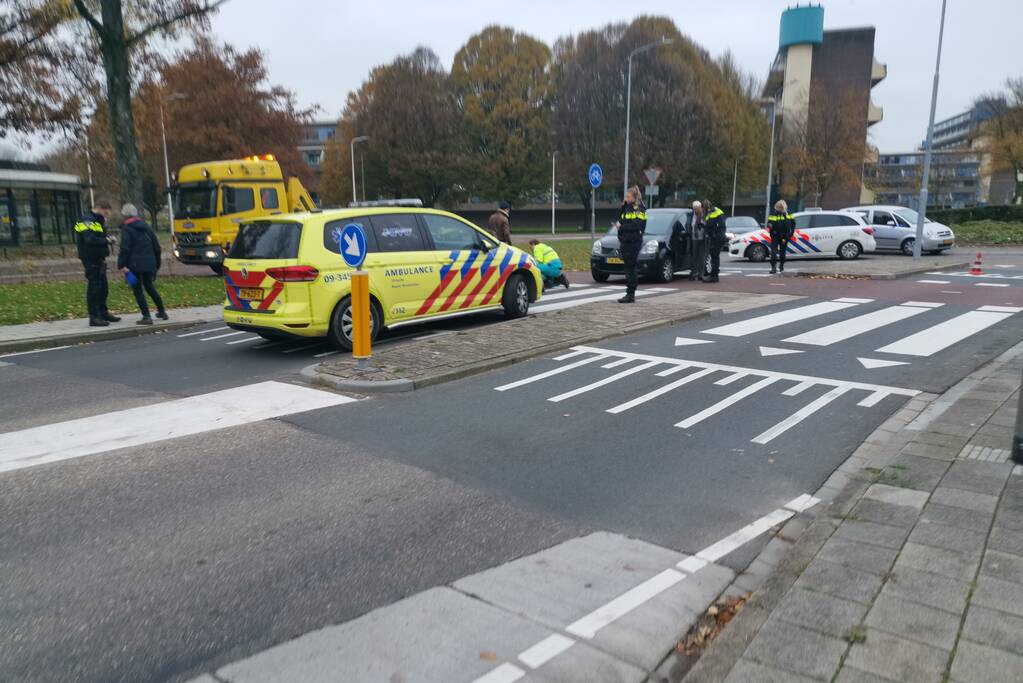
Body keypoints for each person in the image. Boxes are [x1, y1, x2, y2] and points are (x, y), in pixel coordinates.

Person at [117, 203, 167, 325]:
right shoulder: (147, 227)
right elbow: (156, 247)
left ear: (124, 215)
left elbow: (125, 248)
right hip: (150, 263)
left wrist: (121, 264)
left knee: (137, 289)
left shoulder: (126, 229)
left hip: (133, 265)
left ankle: (146, 316)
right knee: (149, 286)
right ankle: (162, 311)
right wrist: (156, 264)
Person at [75, 199, 120, 327]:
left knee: (103, 287)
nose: (106, 216)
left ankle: (103, 312)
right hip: (90, 257)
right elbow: (89, 239)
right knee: (94, 287)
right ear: (99, 208)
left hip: (98, 257)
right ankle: (94, 317)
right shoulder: (86, 220)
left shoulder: (96, 220)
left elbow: (97, 236)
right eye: (105, 213)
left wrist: (106, 238)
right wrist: (106, 240)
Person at [616, 186, 647, 303]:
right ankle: (629, 293)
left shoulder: (639, 209)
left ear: (634, 197)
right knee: (628, 267)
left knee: (631, 267)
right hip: (625, 241)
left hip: (633, 242)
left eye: (628, 196)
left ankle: (631, 293)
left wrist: (621, 227)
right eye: (626, 196)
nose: (626, 198)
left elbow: (636, 225)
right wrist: (623, 206)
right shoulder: (627, 207)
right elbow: (621, 219)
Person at [767, 199, 795, 274]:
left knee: (782, 252)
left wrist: (790, 234)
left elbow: (793, 224)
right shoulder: (773, 214)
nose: (778, 208)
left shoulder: (789, 214)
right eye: (777, 207)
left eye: (780, 207)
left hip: (784, 236)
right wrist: (770, 226)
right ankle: (773, 268)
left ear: (783, 207)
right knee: (773, 252)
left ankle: (781, 266)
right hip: (775, 235)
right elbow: (769, 223)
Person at [701, 199, 726, 283]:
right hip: (719, 236)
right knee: (715, 257)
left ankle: (713, 277)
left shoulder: (711, 212)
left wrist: (703, 226)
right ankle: (715, 276)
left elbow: (710, 226)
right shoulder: (716, 211)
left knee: (714, 257)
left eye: (703, 208)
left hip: (716, 237)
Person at [686, 200, 705, 281]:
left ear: (700, 208)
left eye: (697, 208)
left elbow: (707, 225)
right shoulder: (690, 215)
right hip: (693, 238)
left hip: (703, 238)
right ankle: (693, 272)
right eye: (695, 209)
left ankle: (701, 274)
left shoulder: (704, 215)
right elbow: (688, 224)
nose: (696, 210)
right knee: (694, 256)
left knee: (701, 256)